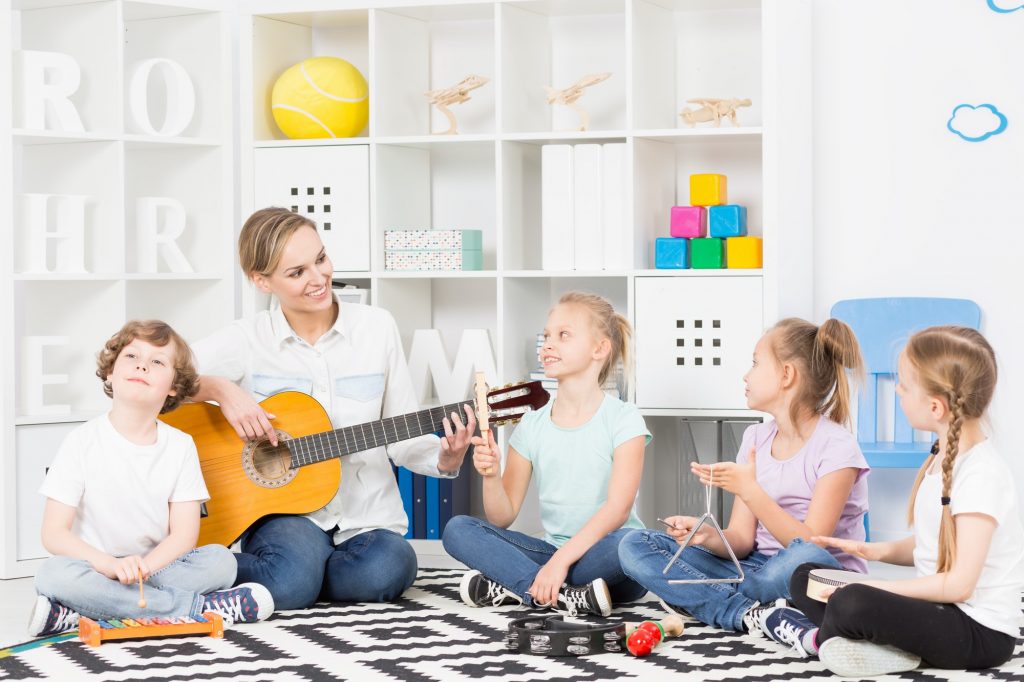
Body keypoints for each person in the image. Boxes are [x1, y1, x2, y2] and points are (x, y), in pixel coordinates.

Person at [190, 207, 475, 610]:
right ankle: (281, 574)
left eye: (320, 259)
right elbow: (150, 380)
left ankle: (296, 576)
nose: (319, 278)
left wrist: (445, 458)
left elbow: (403, 439)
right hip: (286, 516)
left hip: (367, 519)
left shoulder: (377, 327)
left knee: (387, 568)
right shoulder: (246, 339)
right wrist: (219, 388)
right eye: (296, 272)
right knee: (291, 583)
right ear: (261, 281)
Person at [763, 326, 1024, 678]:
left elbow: (960, 585)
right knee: (806, 578)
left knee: (852, 601)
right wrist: (874, 551)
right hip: (941, 610)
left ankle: (836, 639)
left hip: (978, 632)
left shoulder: (982, 474)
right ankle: (868, 643)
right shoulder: (941, 455)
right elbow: (936, 542)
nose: (897, 390)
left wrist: (874, 587)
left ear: (935, 406)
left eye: (903, 384)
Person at [618, 318, 869, 632]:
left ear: (787, 374)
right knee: (635, 544)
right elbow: (741, 539)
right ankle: (747, 611)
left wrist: (751, 491)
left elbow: (812, 542)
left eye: (755, 363)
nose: (745, 375)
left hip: (817, 574)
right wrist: (706, 535)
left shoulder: (837, 446)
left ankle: (708, 599)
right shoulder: (755, 438)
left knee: (796, 559)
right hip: (754, 568)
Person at [28, 320, 273, 638]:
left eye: (157, 362)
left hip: (156, 567)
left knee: (222, 561)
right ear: (110, 373)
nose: (142, 365)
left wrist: (144, 568)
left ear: (174, 386)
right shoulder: (80, 441)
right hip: (95, 566)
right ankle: (199, 610)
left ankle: (82, 611)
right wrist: (110, 566)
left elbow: (184, 535)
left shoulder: (181, 445)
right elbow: (54, 534)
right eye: (131, 357)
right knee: (51, 574)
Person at [442, 292, 650, 616]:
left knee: (630, 543)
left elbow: (619, 510)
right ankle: (560, 595)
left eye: (563, 335)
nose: (548, 344)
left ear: (600, 348)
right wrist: (491, 476)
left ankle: (523, 585)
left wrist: (559, 562)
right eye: (547, 335)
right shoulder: (531, 424)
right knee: (457, 530)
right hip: (552, 553)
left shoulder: (625, 419)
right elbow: (502, 515)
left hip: (609, 559)